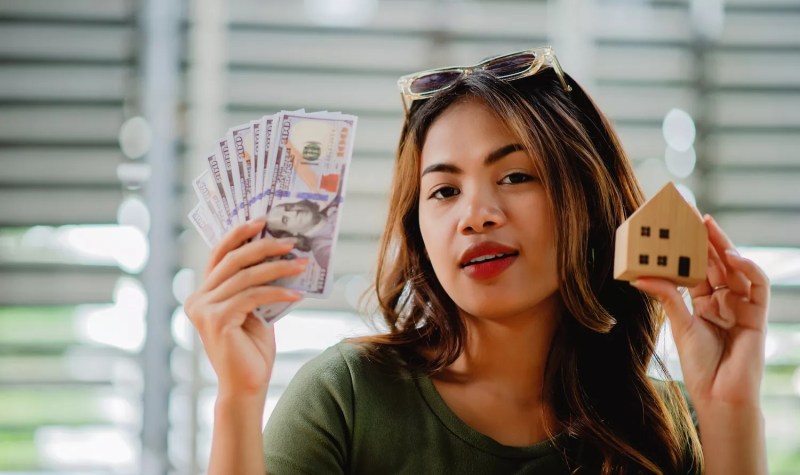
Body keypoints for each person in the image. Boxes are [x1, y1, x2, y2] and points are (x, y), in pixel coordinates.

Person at [185, 46, 769, 474]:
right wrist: (238, 398)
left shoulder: (666, 428)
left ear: (588, 206)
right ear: (419, 230)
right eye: (443, 191)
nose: (476, 214)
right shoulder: (347, 399)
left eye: (515, 176)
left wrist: (731, 411)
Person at [265, 198, 337, 268]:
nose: (294, 212)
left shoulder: (335, 202)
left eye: (288, 208)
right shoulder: (322, 251)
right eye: (285, 220)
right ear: (292, 233)